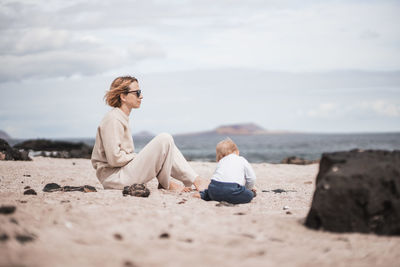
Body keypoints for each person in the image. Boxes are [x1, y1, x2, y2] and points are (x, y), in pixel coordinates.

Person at [91, 76, 207, 192]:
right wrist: (138, 157)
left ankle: (189, 180)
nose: (141, 96)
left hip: (122, 173)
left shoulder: (120, 117)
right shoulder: (113, 119)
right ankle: (179, 182)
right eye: (137, 92)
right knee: (164, 139)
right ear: (123, 96)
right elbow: (114, 159)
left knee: (168, 144)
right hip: (115, 178)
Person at [194, 138, 257, 204]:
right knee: (249, 195)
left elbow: (216, 178)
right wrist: (248, 189)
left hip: (214, 190)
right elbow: (251, 178)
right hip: (231, 189)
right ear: (236, 151)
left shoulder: (221, 161)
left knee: (212, 191)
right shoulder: (242, 159)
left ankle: (203, 194)